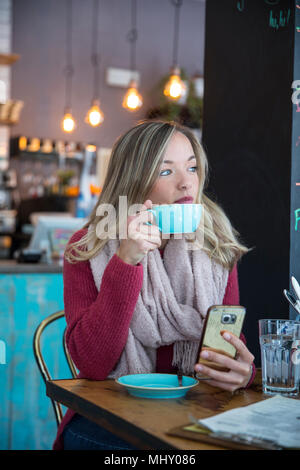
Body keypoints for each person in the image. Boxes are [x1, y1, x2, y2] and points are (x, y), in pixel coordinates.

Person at [53, 120, 255, 450]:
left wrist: (239, 371)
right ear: (134, 183)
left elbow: (224, 347)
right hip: (110, 414)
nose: (186, 183)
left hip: (194, 409)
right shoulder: (87, 247)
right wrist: (126, 259)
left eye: (192, 168)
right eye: (166, 172)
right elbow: (92, 364)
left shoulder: (216, 246)